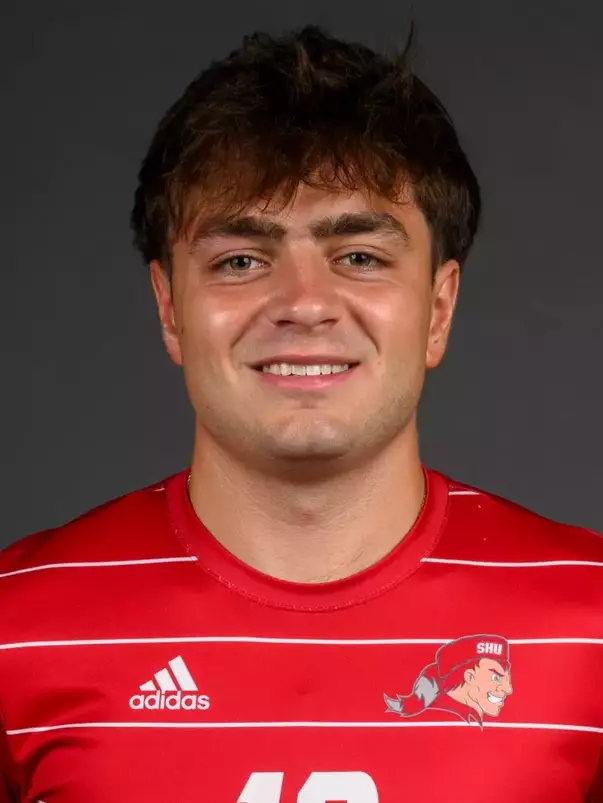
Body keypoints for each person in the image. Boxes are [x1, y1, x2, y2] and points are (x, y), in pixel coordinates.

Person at [0, 23, 601, 803]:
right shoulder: (19, 625)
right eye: (241, 260)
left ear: (438, 308)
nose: (304, 304)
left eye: (359, 256)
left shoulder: (590, 623)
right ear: (169, 308)